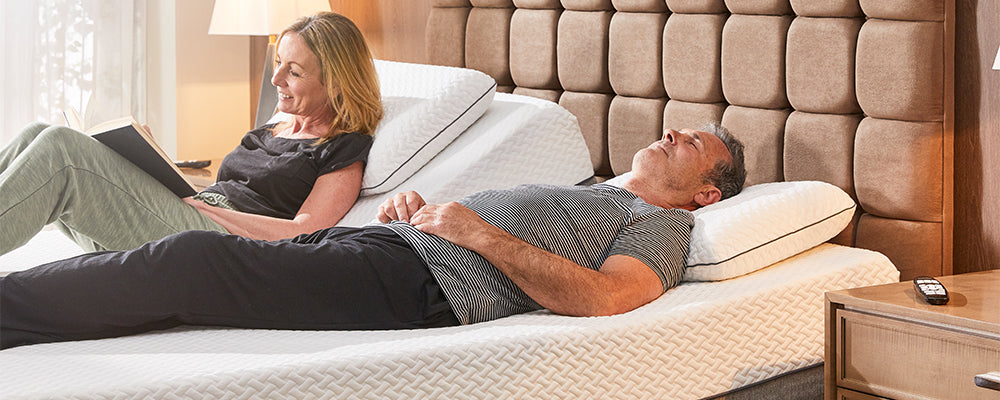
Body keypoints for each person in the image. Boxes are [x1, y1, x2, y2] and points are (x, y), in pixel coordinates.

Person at [0, 123, 746, 350]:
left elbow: (611, 298)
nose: (672, 132)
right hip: (391, 248)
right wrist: (416, 212)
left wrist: (478, 235)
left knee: (191, 259)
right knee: (188, 270)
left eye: (692, 145)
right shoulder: (592, 192)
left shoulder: (661, 225)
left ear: (707, 191)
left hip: (418, 287)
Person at [0, 12, 383, 257]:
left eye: (294, 72)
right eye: (278, 63)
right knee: (40, 131)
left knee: (61, 149)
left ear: (335, 82)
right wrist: (150, 162)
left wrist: (210, 212)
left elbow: (305, 233)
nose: (275, 79)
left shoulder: (343, 148)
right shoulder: (269, 130)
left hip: (219, 240)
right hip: (195, 213)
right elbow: (216, 190)